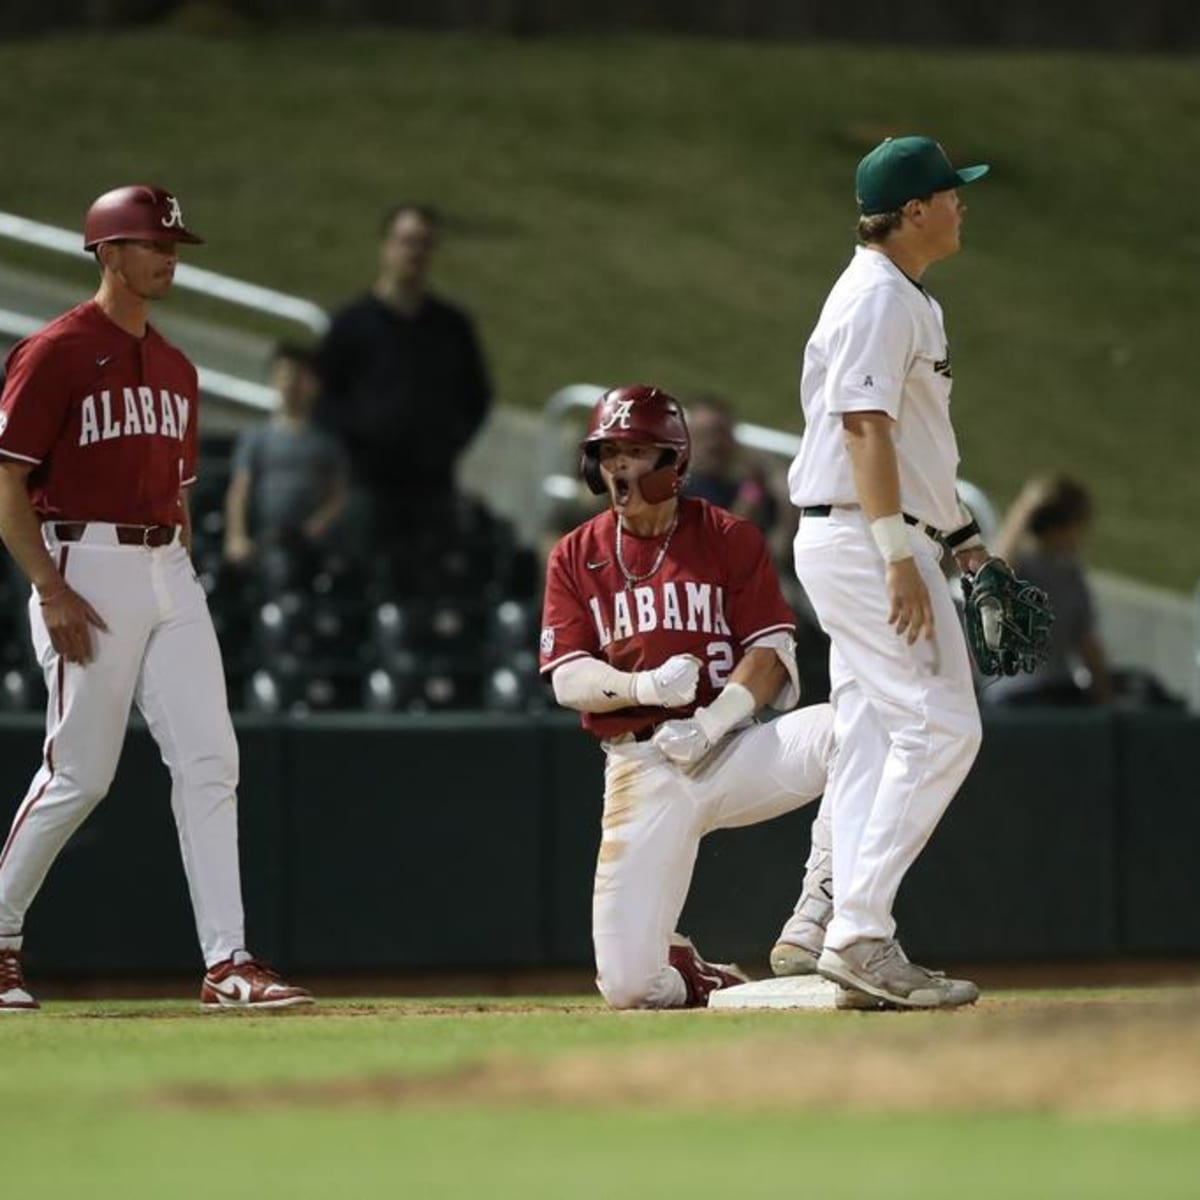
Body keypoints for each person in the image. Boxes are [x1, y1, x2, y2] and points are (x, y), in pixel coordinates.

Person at [0, 185, 311, 1011]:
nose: (169, 256)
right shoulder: (54, 350)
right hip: (81, 560)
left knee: (212, 759)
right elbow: (8, 482)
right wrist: (49, 587)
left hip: (166, 565)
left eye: (173, 244)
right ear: (108, 254)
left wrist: (181, 571)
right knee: (81, 774)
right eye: (151, 244)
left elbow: (176, 493)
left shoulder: (176, 366)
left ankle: (228, 963)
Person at [539, 385, 844, 1010]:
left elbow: (770, 651)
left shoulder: (727, 536)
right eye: (608, 452)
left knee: (855, 728)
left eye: (636, 451)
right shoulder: (576, 553)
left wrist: (711, 722)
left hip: (732, 747)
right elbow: (567, 676)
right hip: (639, 766)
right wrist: (640, 687)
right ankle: (696, 973)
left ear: (673, 462)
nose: (619, 467)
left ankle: (822, 910)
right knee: (629, 987)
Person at [786, 136, 996, 1009]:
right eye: (950, 194)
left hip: (874, 534)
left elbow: (914, 444)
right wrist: (897, 553)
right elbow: (864, 428)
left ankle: (832, 927)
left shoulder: (906, 297)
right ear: (914, 211)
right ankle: (861, 932)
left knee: (876, 731)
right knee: (943, 728)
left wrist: (962, 540)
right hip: (864, 538)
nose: (961, 205)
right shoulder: (877, 295)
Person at [315, 204, 492, 541]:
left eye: (424, 243)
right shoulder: (352, 324)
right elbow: (324, 398)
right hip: (365, 485)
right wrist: (360, 437)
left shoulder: (452, 327)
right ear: (387, 246)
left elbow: (477, 397)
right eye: (406, 241)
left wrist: (447, 443)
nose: (414, 252)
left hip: (432, 487)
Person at [985, 474, 1111, 706]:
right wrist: (1026, 507)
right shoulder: (1018, 564)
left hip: (1059, 689)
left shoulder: (1070, 573)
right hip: (1014, 693)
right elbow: (992, 578)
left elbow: (1086, 641)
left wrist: (1104, 696)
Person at [223, 343, 348, 567]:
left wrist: (318, 526)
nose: (291, 384)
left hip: (312, 545)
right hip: (266, 540)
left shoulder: (327, 442)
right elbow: (240, 489)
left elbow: (338, 495)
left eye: (299, 377)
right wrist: (236, 537)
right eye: (284, 376)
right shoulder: (256, 437)